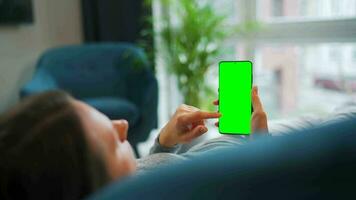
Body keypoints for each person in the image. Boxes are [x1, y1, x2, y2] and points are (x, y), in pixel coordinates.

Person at [0, 86, 268, 200]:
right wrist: (261, 141)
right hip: (247, 159)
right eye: (113, 142)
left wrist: (164, 142)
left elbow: (140, 170)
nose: (123, 125)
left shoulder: (118, 180)